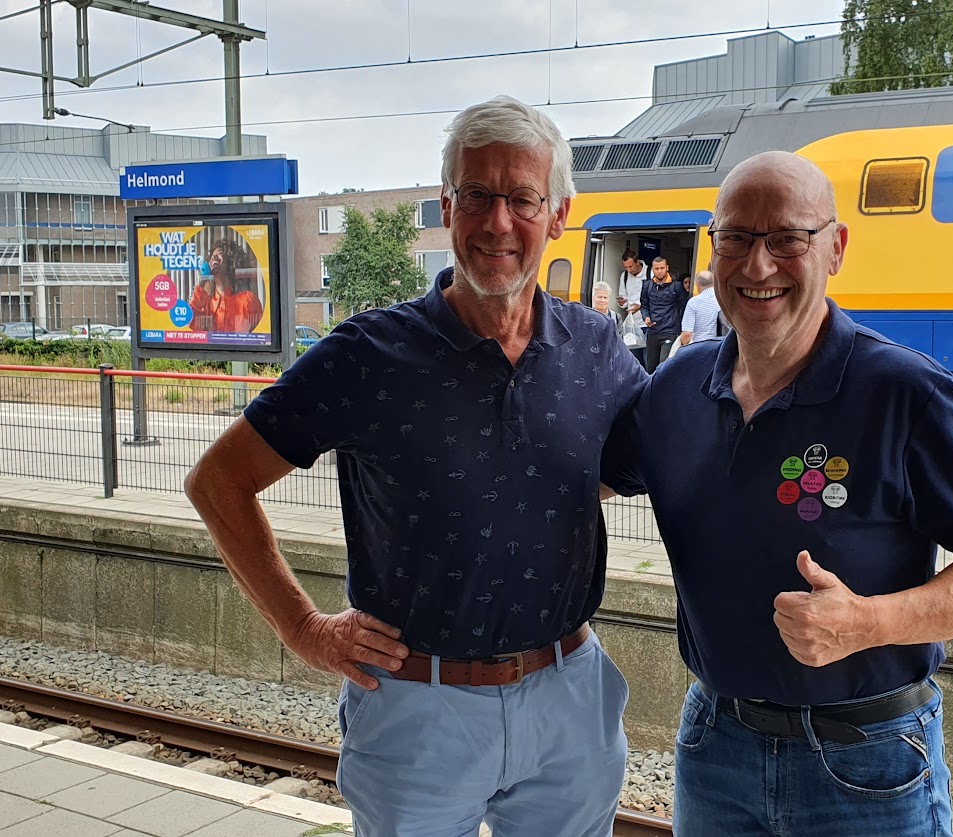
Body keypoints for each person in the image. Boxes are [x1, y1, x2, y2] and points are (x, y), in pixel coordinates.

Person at [185, 95, 643, 837]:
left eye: (523, 199)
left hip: (570, 702)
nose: (498, 222)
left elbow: (645, 459)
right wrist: (302, 628)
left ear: (558, 214)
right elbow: (217, 481)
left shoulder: (597, 348)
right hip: (417, 707)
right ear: (447, 205)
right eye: (476, 195)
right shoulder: (368, 354)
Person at [602, 151, 953, 836]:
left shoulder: (906, 392)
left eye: (787, 239)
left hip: (868, 759)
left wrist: (869, 622)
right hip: (715, 745)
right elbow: (577, 480)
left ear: (836, 248)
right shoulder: (674, 388)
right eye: (736, 238)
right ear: (713, 249)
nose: (758, 265)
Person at [638, 255, 689, 371]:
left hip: (670, 331)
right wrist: (646, 317)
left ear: (667, 268)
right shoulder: (647, 285)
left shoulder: (677, 286)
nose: (659, 271)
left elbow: (683, 308)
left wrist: (682, 328)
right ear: (652, 269)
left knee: (664, 366)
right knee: (650, 368)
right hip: (653, 332)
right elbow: (644, 305)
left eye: (662, 268)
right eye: (657, 269)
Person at [676, 269, 723, 346]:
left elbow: (687, 334)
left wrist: (682, 345)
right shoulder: (722, 300)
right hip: (720, 345)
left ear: (698, 285)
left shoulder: (694, 302)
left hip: (699, 346)